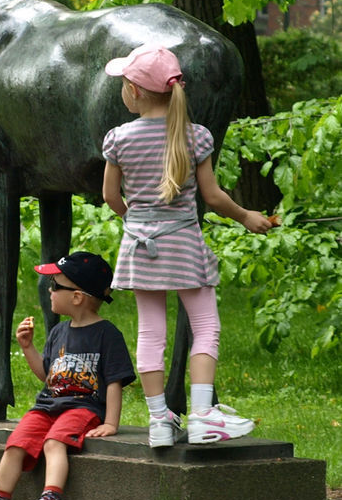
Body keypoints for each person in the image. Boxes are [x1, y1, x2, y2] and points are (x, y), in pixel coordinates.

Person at [102, 44, 273, 448]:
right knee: (206, 326)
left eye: (124, 84)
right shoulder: (195, 136)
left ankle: (160, 421)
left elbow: (111, 197)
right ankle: (201, 416)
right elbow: (212, 197)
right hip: (184, 243)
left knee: (150, 331)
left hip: (140, 246)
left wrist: (137, 221)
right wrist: (246, 215)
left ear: (136, 92)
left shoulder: (119, 139)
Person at [0, 252, 135, 500]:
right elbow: (48, 376)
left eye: (56, 286)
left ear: (78, 297)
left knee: (54, 442)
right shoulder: (58, 331)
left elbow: (114, 382)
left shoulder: (107, 334)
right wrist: (27, 347)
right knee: (16, 444)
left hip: (82, 408)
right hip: (47, 406)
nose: (50, 291)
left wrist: (110, 423)